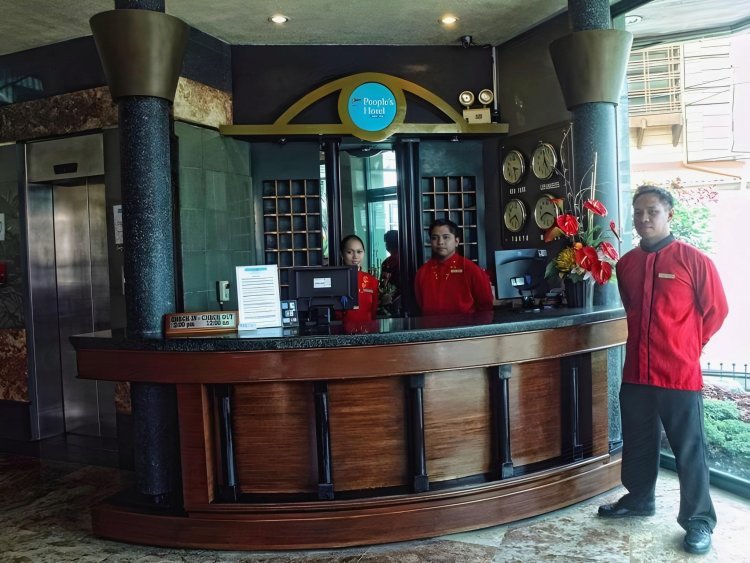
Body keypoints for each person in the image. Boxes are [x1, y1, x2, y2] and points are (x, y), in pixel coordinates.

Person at [597, 185, 728, 556]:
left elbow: (716, 310)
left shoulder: (694, 260)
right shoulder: (626, 264)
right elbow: (632, 309)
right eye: (638, 212)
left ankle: (699, 520)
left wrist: (689, 345)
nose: (644, 219)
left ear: (669, 215)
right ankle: (639, 499)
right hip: (636, 372)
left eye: (652, 211)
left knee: (689, 448)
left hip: (678, 374)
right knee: (638, 440)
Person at [414, 218, 493, 316]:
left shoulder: (470, 269)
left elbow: (486, 305)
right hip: (430, 325)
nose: (440, 242)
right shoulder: (422, 272)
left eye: (446, 237)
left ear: (456, 241)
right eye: (435, 238)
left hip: (465, 325)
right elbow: (420, 305)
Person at [338, 234, 378, 322]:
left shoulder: (372, 281)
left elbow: (374, 313)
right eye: (349, 252)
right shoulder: (335, 279)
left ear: (364, 252)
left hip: (367, 328)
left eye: (359, 252)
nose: (355, 256)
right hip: (341, 329)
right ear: (342, 254)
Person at [379, 229, 401, 316]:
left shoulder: (404, 262)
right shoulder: (385, 263)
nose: (387, 245)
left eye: (389, 242)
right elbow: (382, 284)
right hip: (385, 304)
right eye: (387, 242)